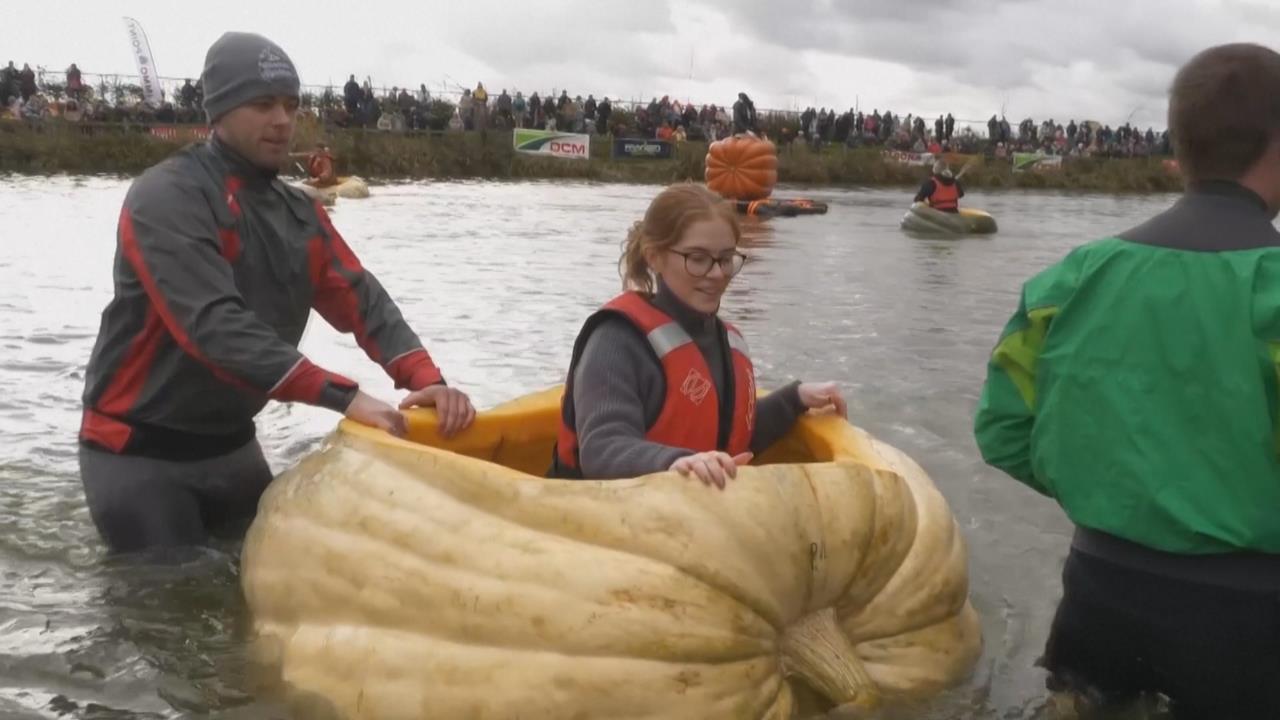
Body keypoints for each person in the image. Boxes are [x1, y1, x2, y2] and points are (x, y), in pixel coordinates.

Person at [78, 32, 475, 554]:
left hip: (231, 446)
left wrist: (432, 384)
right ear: (219, 111)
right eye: (263, 104)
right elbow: (214, 328)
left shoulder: (299, 212)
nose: (283, 120)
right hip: (138, 454)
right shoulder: (166, 197)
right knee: (176, 594)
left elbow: (363, 302)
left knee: (266, 581)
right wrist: (345, 397)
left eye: (291, 104)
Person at [974, 42, 1280, 718]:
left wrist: (1113, 493)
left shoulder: (1073, 277)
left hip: (1097, 595)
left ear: (1181, 144)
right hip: (1249, 622)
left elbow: (1003, 430)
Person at [549, 184, 846, 487]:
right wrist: (675, 462)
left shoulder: (727, 340)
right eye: (698, 258)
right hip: (606, 510)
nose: (717, 274)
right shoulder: (614, 341)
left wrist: (795, 399)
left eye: (726, 258)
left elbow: (730, 433)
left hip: (697, 511)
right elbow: (601, 451)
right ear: (654, 257)